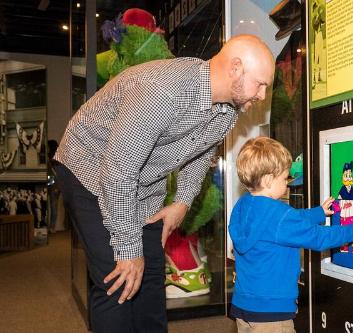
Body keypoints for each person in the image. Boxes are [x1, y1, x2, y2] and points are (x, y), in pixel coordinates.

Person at [53, 34, 275, 333]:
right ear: (235, 68)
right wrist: (128, 249)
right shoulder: (161, 92)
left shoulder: (227, 109)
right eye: (260, 84)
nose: (262, 95)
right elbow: (117, 173)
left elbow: (201, 151)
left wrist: (181, 202)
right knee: (118, 276)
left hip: (139, 178)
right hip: (88, 167)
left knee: (151, 270)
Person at [229, 137, 353, 333]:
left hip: (243, 307)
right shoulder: (279, 215)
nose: (287, 184)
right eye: (284, 178)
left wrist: (318, 213)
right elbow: (318, 238)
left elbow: (292, 221)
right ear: (269, 180)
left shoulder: (243, 206)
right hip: (272, 313)